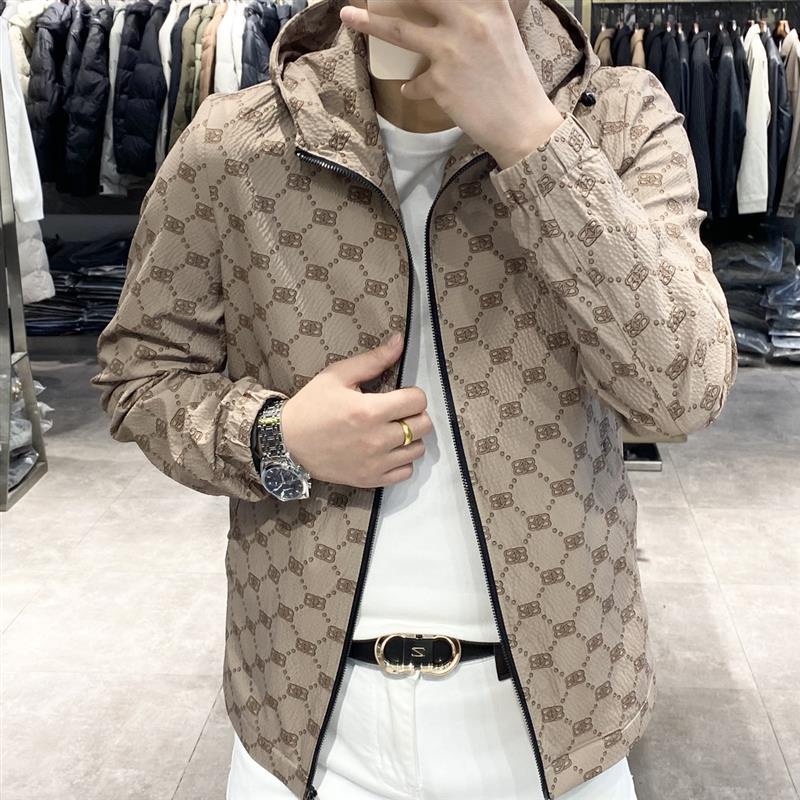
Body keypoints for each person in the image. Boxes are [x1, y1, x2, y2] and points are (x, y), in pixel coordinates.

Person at [91, 0, 738, 798]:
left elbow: (683, 392)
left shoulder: (620, 120)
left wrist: (533, 139)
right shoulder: (235, 144)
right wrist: (274, 437)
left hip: (561, 724)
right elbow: (141, 374)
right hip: (307, 722)